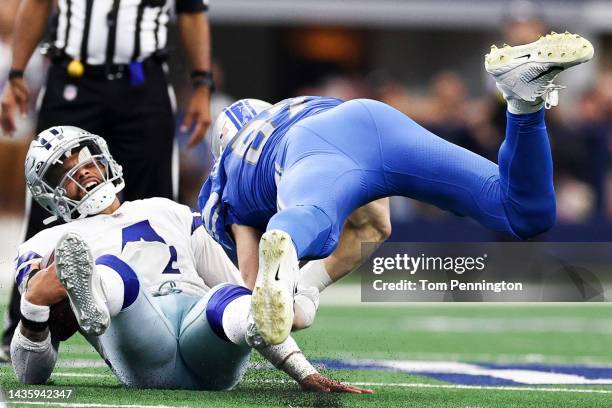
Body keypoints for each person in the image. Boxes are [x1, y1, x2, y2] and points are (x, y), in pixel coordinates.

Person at [198, 32, 595, 345]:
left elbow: (257, 304)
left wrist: (289, 311)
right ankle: (524, 102)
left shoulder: (229, 179)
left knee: (311, 226)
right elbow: (376, 225)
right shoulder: (286, 109)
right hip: (369, 119)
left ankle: (290, 235)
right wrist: (306, 292)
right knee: (522, 213)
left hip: (310, 148)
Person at [11, 126, 371, 394]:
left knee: (230, 297)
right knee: (114, 272)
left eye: (84, 159)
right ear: (50, 195)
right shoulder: (48, 243)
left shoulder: (167, 210)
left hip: (207, 348)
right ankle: (96, 300)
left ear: (103, 158)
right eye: (64, 171)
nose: (82, 170)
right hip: (142, 353)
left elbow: (240, 287)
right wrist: (33, 306)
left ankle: (95, 295)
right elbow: (30, 376)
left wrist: (304, 372)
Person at [0, 0, 215, 361]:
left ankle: (172, 316)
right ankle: (27, 325)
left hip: (143, 81)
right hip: (73, 77)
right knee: (48, 202)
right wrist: (17, 74)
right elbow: (37, 3)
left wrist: (202, 84)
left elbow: (191, 11)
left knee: (157, 209)